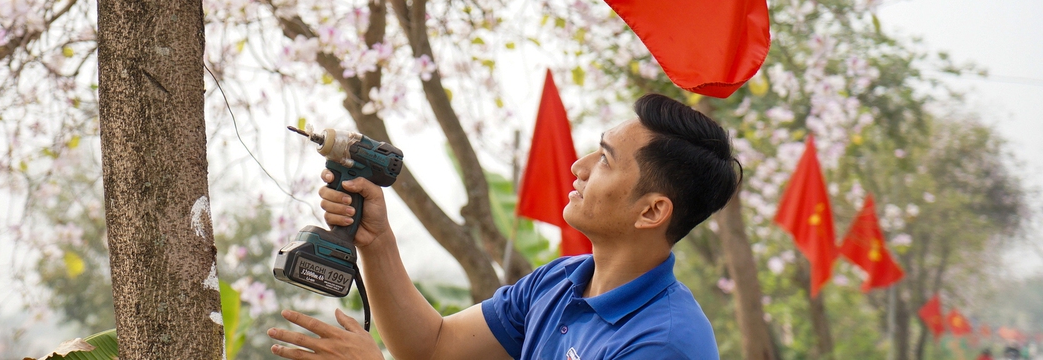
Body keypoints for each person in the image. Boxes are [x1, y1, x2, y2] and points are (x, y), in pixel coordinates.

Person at [268, 94, 742, 360]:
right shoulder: (559, 282)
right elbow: (433, 347)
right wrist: (376, 241)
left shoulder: (663, 344)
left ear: (652, 212)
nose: (578, 166)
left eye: (606, 161)